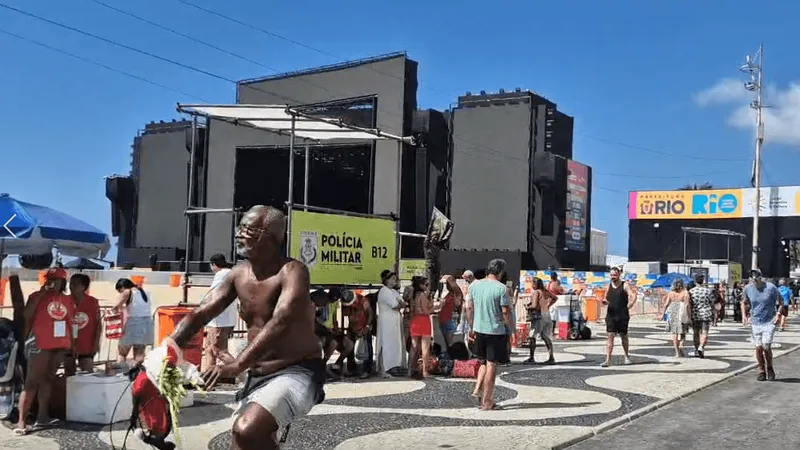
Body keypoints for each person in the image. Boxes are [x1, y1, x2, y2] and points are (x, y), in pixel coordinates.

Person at [165, 205, 324, 450]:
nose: (238, 234)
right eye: (238, 228)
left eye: (247, 229)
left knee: (247, 429)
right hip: (257, 373)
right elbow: (200, 313)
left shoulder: (292, 271)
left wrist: (237, 364)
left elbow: (280, 321)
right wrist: (165, 353)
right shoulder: (237, 273)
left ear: (270, 235)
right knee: (242, 441)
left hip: (296, 369)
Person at [15, 267, 74, 435]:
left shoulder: (66, 299)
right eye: (51, 279)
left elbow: (69, 322)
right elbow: (26, 315)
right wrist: (41, 294)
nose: (54, 283)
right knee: (31, 382)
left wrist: (72, 345)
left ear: (63, 282)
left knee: (48, 379)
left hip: (59, 344)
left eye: (57, 280)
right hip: (39, 343)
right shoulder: (36, 296)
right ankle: (21, 421)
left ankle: (43, 417)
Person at [465, 259, 513, 411]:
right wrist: (511, 329)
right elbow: (505, 312)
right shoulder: (502, 288)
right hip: (495, 330)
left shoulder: (474, 285)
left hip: (478, 329)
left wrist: (471, 327)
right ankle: (487, 401)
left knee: (483, 362)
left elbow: (469, 308)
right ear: (500, 272)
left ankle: (478, 389)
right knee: (492, 364)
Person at [202, 253, 240, 372]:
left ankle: (241, 371)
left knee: (219, 351)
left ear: (213, 264)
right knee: (209, 349)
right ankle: (208, 375)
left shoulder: (221, 274)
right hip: (226, 318)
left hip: (219, 319)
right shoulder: (230, 272)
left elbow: (213, 293)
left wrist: (201, 306)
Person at [744, 269, 779, 381]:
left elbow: (781, 302)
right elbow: (743, 302)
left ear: (761, 277)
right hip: (755, 322)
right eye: (752, 278)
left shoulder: (771, 288)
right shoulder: (748, 289)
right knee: (758, 347)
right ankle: (762, 371)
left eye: (756, 277)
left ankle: (770, 368)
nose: (754, 280)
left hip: (769, 321)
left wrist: (778, 314)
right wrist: (744, 315)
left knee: (766, 346)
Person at [64, 274, 101, 375]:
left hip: (86, 345)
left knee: (88, 374)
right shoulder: (64, 301)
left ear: (84, 287)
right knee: (69, 375)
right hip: (67, 345)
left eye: (76, 284)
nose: (72, 287)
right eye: (71, 283)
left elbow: (98, 325)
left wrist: (96, 343)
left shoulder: (93, 302)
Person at [113, 278, 154, 367]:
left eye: (120, 291)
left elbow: (115, 307)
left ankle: (121, 371)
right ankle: (137, 375)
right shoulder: (145, 291)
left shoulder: (127, 292)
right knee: (139, 354)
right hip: (147, 324)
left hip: (134, 324)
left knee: (122, 352)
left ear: (122, 287)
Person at [601, 267, 636, 367]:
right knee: (610, 337)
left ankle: (626, 356)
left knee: (624, 337)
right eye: (611, 275)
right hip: (611, 315)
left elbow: (632, 295)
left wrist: (631, 304)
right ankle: (607, 360)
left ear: (619, 274)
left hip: (622, 315)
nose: (613, 277)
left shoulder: (624, 285)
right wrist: (604, 301)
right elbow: (605, 297)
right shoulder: (609, 286)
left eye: (615, 275)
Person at [376, 270, 406, 376]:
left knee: (395, 344)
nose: (394, 281)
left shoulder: (394, 292)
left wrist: (401, 304)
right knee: (385, 343)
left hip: (395, 320)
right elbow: (396, 305)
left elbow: (403, 303)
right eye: (392, 279)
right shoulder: (384, 291)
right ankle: (383, 368)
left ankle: (393, 366)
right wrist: (400, 304)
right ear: (386, 280)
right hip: (386, 320)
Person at [341, 291, 375, 379]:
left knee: (366, 349)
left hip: (363, 328)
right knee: (350, 350)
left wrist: (366, 327)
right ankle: (352, 370)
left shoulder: (363, 300)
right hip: (352, 328)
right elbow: (346, 315)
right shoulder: (345, 301)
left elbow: (370, 313)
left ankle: (366, 370)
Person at [524, 277, 556, 364]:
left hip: (539, 316)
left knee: (532, 336)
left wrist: (527, 307)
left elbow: (534, 305)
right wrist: (548, 305)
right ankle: (551, 357)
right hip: (546, 314)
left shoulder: (536, 292)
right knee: (545, 336)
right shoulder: (545, 291)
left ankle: (531, 357)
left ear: (534, 284)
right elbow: (555, 298)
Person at [408, 276, 433, 378]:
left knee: (413, 347)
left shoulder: (413, 295)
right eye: (426, 285)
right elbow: (426, 311)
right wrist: (435, 306)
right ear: (421, 285)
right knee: (425, 348)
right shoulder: (422, 295)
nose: (427, 287)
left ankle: (410, 369)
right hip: (423, 321)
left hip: (415, 321)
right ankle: (425, 371)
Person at [661, 278, 690, 357]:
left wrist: (662, 314)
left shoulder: (671, 293)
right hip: (682, 311)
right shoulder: (685, 293)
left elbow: (666, 304)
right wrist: (689, 316)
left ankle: (677, 352)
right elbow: (687, 305)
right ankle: (681, 344)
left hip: (673, 311)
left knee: (674, 333)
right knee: (683, 331)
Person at [688, 274, 714, 358]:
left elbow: (689, 304)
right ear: (703, 281)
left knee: (696, 333)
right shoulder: (708, 291)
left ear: (695, 281)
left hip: (695, 314)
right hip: (706, 314)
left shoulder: (691, 291)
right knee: (705, 332)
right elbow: (712, 302)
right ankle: (701, 347)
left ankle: (696, 350)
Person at [438, 275, 462, 349]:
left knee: (449, 342)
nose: (446, 285)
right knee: (447, 342)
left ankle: (452, 357)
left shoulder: (455, 293)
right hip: (443, 319)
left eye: (447, 284)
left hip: (449, 318)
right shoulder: (449, 293)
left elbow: (458, 304)